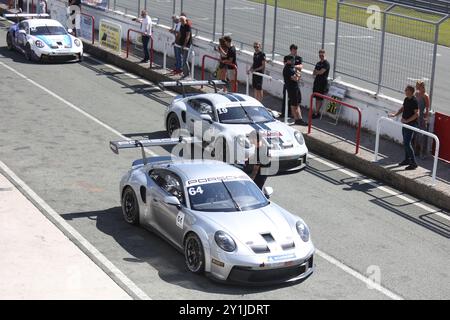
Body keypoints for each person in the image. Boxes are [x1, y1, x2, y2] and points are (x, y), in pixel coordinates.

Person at [388, 85, 419, 170]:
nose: (405, 91)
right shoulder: (406, 99)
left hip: (410, 125)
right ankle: (407, 160)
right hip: (405, 124)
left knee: (407, 143)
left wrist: (407, 121)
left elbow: (417, 114)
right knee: (405, 142)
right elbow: (403, 108)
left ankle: (413, 163)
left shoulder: (414, 101)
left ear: (410, 91)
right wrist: (395, 114)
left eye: (406, 90)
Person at [283, 55, 307, 126]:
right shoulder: (288, 69)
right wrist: (298, 74)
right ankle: (297, 119)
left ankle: (300, 118)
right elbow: (296, 78)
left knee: (297, 103)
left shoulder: (292, 67)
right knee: (294, 104)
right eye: (291, 60)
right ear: (287, 61)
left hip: (296, 88)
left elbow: (298, 71)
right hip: (292, 89)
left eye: (293, 60)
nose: (293, 61)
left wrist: (298, 74)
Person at [281, 44, 303, 119]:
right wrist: (295, 67)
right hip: (289, 81)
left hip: (295, 82)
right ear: (291, 50)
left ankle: (293, 115)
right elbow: (286, 64)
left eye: (296, 49)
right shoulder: (287, 58)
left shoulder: (298, 58)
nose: (295, 51)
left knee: (295, 100)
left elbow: (301, 67)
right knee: (286, 96)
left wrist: (294, 66)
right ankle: (284, 113)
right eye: (294, 49)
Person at [414, 80, 431, 158]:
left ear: (421, 86)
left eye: (417, 85)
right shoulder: (416, 94)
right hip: (416, 116)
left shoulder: (425, 96)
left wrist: (426, 118)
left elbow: (427, 108)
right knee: (416, 134)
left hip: (422, 118)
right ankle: (415, 151)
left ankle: (422, 153)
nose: (416, 86)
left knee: (422, 135)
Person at [312, 49, 331, 119]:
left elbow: (321, 72)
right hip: (317, 82)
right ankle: (316, 112)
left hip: (322, 83)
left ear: (325, 54)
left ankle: (317, 112)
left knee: (319, 98)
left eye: (322, 55)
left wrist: (318, 71)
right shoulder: (318, 63)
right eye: (320, 55)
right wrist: (318, 71)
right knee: (316, 98)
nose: (321, 56)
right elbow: (314, 72)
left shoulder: (326, 63)